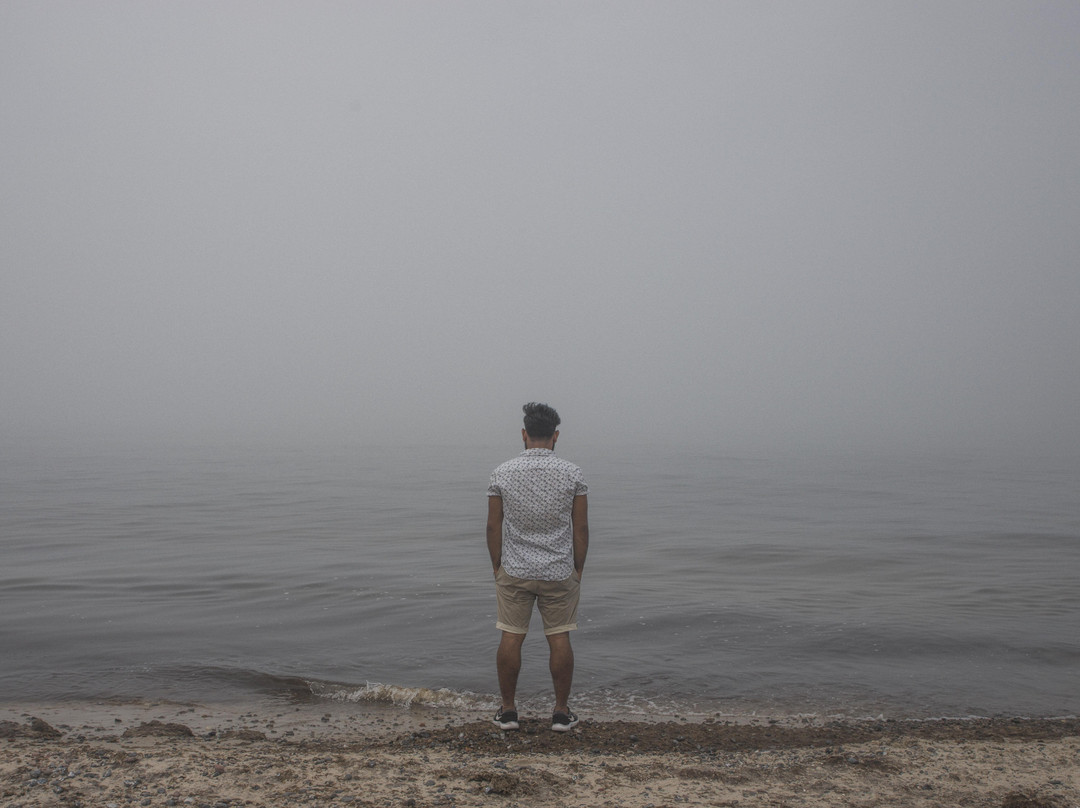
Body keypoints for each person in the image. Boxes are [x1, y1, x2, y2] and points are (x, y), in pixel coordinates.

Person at [486, 402, 589, 732]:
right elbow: (581, 528)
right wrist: (578, 569)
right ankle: (560, 713)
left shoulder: (502, 473)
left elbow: (493, 527)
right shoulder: (573, 473)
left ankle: (508, 712)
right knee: (559, 638)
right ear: (555, 435)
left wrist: (497, 566)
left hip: (515, 570)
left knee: (511, 637)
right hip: (559, 571)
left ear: (524, 434)